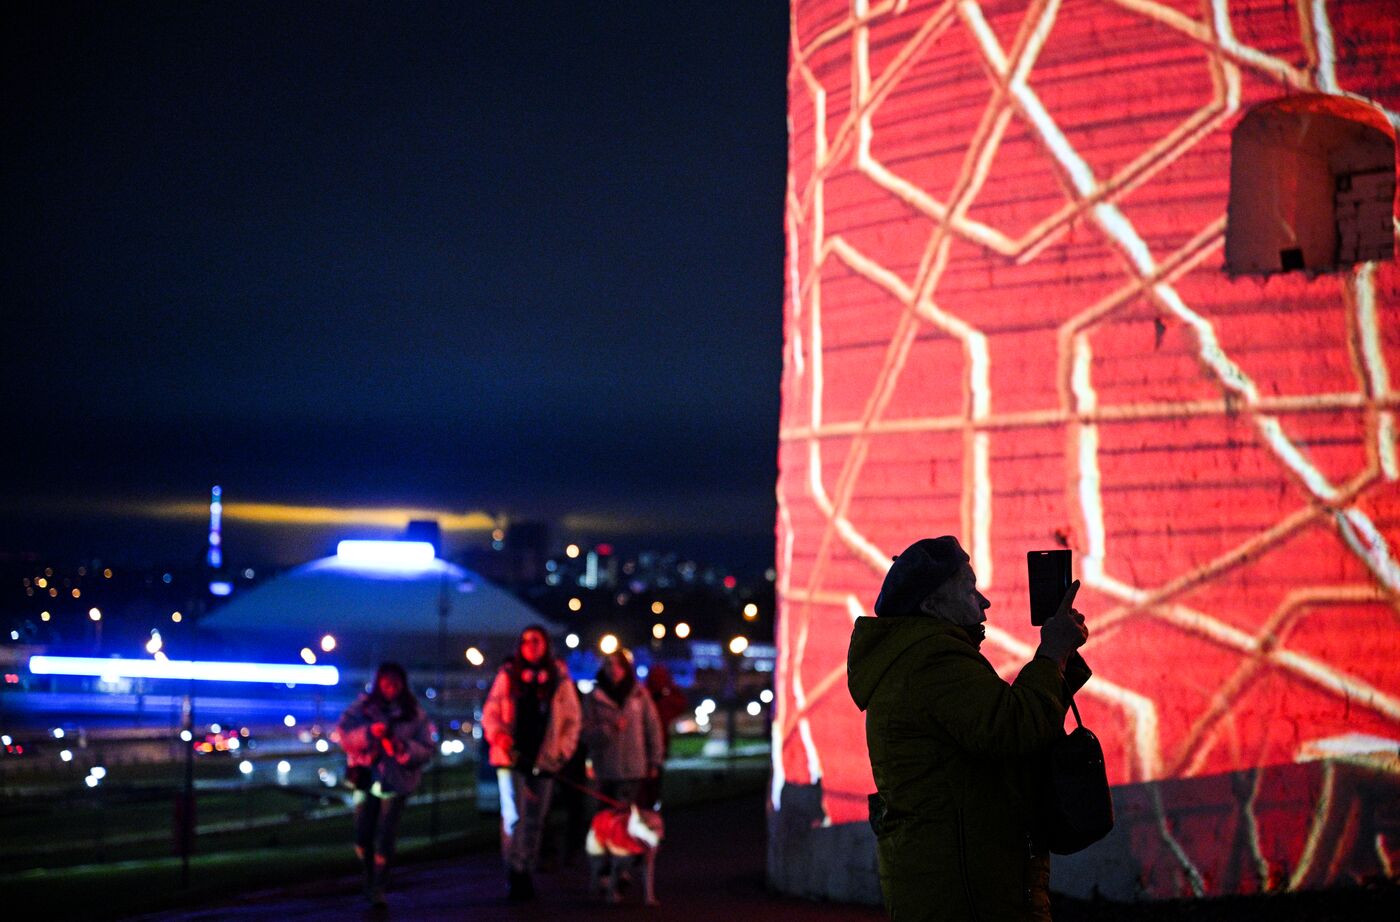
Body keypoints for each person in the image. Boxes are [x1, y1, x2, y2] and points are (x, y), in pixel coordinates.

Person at [847, 536, 1091, 922]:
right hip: (962, 888)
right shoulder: (932, 661)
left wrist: (1059, 660)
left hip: (952, 878)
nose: (984, 601)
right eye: (969, 588)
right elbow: (1011, 729)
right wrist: (1051, 653)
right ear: (931, 605)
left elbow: (1004, 723)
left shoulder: (920, 656)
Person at [482, 625, 581, 900]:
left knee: (536, 818)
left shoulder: (558, 676)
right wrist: (499, 735)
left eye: (536, 641)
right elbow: (491, 711)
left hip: (544, 757)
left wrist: (562, 752)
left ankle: (526, 866)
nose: (531, 646)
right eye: (526, 641)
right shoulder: (508, 674)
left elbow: (572, 719)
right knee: (515, 816)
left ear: (546, 644)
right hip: (512, 756)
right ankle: (515, 871)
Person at [337, 661, 436, 908]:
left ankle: (378, 886)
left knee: (386, 836)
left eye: (396, 681)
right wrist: (370, 733)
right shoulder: (362, 709)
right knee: (363, 834)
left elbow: (426, 748)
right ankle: (369, 877)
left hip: (396, 781)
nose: (391, 686)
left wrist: (401, 748)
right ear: (378, 683)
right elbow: (344, 735)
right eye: (386, 681)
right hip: (365, 777)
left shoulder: (414, 713)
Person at [582, 648, 664, 807]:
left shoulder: (639, 694)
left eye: (619, 665)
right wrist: (608, 729)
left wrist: (654, 761)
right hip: (605, 768)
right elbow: (585, 731)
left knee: (627, 813)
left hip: (633, 768)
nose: (614, 669)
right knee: (606, 813)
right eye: (609, 664)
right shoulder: (594, 696)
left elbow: (652, 728)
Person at [638, 662, 688, 809]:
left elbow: (680, 704)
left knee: (651, 784)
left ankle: (650, 808)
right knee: (647, 785)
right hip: (647, 747)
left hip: (655, 746)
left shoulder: (660, 700)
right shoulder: (648, 699)